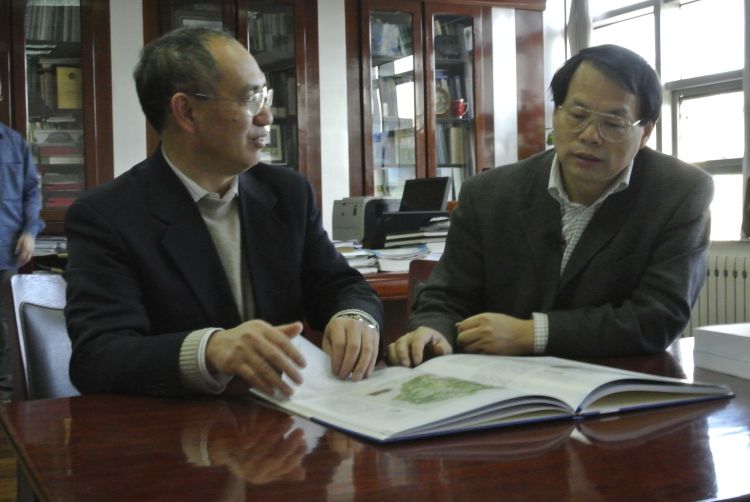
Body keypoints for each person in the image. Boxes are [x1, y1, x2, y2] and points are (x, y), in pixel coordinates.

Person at [64, 26, 383, 397]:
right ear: (187, 112)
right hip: (178, 432)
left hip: (289, 422)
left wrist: (354, 317)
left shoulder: (286, 192)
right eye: (250, 99)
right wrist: (210, 349)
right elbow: (98, 358)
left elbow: (340, 286)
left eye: (265, 95)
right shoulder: (107, 215)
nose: (266, 116)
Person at [388, 44, 713, 367]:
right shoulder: (488, 194)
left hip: (614, 389)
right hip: (495, 386)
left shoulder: (679, 193)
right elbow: (447, 294)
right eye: (578, 115)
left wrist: (534, 333)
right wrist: (432, 329)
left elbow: (659, 317)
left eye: (613, 124)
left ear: (645, 133)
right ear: (556, 114)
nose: (589, 135)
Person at [0, 80, 44, 402]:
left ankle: (4, 396)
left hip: (6, 250)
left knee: (5, 327)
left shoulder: (14, 143)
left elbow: (32, 190)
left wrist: (30, 230)